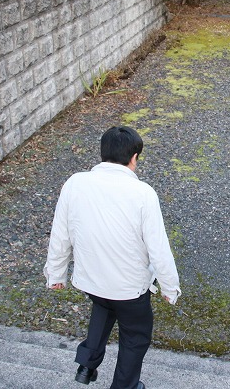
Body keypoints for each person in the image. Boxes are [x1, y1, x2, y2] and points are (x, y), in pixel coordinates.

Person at [44, 125, 181, 389]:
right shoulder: (143, 194)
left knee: (104, 306)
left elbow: (60, 234)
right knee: (135, 336)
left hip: (91, 280)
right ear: (134, 158)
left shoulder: (75, 183)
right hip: (130, 289)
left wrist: (56, 274)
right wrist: (170, 287)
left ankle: (87, 364)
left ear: (103, 153)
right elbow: (158, 248)